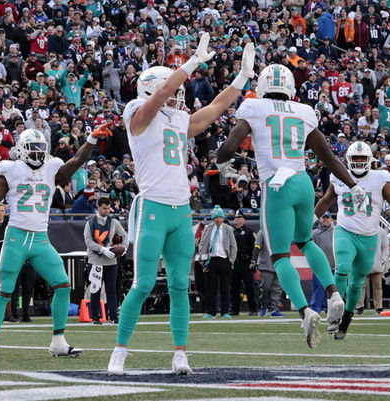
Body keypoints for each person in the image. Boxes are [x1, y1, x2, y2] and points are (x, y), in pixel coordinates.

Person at [108, 34, 255, 375]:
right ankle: (119, 351)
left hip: (180, 209)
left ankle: (179, 353)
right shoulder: (137, 112)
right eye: (173, 90)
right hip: (153, 207)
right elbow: (160, 94)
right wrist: (189, 63)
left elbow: (216, 107)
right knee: (143, 284)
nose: (177, 97)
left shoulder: (176, 119)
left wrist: (242, 78)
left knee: (179, 284)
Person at [216, 63, 369, 347]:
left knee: (280, 257)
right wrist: (355, 185)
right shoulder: (304, 111)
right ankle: (335, 293)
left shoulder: (253, 107)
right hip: (302, 182)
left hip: (276, 186)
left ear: (263, 86)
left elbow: (229, 146)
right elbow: (330, 158)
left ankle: (304, 311)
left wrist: (220, 161)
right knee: (307, 242)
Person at [0, 123, 112, 359]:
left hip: (40, 239)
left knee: (63, 285)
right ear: (22, 149)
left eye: (40, 147)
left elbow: (76, 161)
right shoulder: (11, 169)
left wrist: (92, 140)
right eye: (32, 148)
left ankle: (58, 341)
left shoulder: (51, 168)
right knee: (4, 291)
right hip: (16, 237)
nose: (37, 152)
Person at [315, 141, 390, 339]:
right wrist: (310, 222)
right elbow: (326, 200)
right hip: (345, 231)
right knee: (342, 270)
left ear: (369, 160)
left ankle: (346, 319)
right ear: (348, 160)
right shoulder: (339, 177)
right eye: (355, 158)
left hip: (369, 236)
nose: (358, 162)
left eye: (362, 158)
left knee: (357, 283)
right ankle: (334, 313)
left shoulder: (380, 178)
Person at [83, 196, 128, 324]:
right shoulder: (90, 222)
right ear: (98, 207)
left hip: (111, 261)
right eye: (104, 208)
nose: (107, 211)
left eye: (109, 208)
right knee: (95, 288)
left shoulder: (113, 222)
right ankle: (95, 316)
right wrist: (102, 249)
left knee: (111, 289)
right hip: (96, 260)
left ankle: (113, 316)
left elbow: (125, 235)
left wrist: (123, 248)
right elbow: (88, 241)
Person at [198, 205, 237, 319]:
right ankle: (211, 312)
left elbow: (233, 247)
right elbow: (203, 245)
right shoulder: (208, 228)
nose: (218, 220)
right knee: (211, 288)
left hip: (225, 260)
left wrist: (231, 261)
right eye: (216, 218)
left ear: (223, 218)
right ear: (213, 218)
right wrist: (203, 261)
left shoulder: (228, 229)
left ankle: (225, 311)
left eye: (220, 217)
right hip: (212, 261)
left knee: (225, 287)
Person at [230, 209, 257, 316]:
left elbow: (255, 248)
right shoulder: (232, 233)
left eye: (239, 218)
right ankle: (234, 309)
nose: (237, 220)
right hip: (235, 263)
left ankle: (253, 309)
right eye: (235, 218)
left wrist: (253, 261)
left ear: (244, 220)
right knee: (234, 288)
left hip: (246, 263)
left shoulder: (249, 232)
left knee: (250, 287)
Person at [356, 226, 388, 314]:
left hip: (377, 265)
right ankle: (359, 307)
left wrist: (382, 260)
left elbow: (385, 247)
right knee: (360, 286)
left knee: (377, 287)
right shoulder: (361, 230)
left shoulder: (381, 232)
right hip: (364, 264)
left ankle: (378, 307)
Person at [252, 229, 284, 317]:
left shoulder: (281, 231)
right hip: (266, 264)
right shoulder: (262, 231)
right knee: (265, 288)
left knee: (277, 289)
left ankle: (275, 308)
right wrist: (254, 260)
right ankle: (264, 306)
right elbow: (257, 246)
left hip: (279, 263)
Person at [311, 211, 335, 314]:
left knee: (331, 289)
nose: (325, 219)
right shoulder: (315, 233)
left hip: (333, 266)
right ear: (320, 219)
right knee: (319, 288)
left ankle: (328, 308)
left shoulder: (336, 232)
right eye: (323, 218)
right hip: (319, 267)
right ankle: (315, 308)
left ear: (331, 219)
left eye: (327, 218)